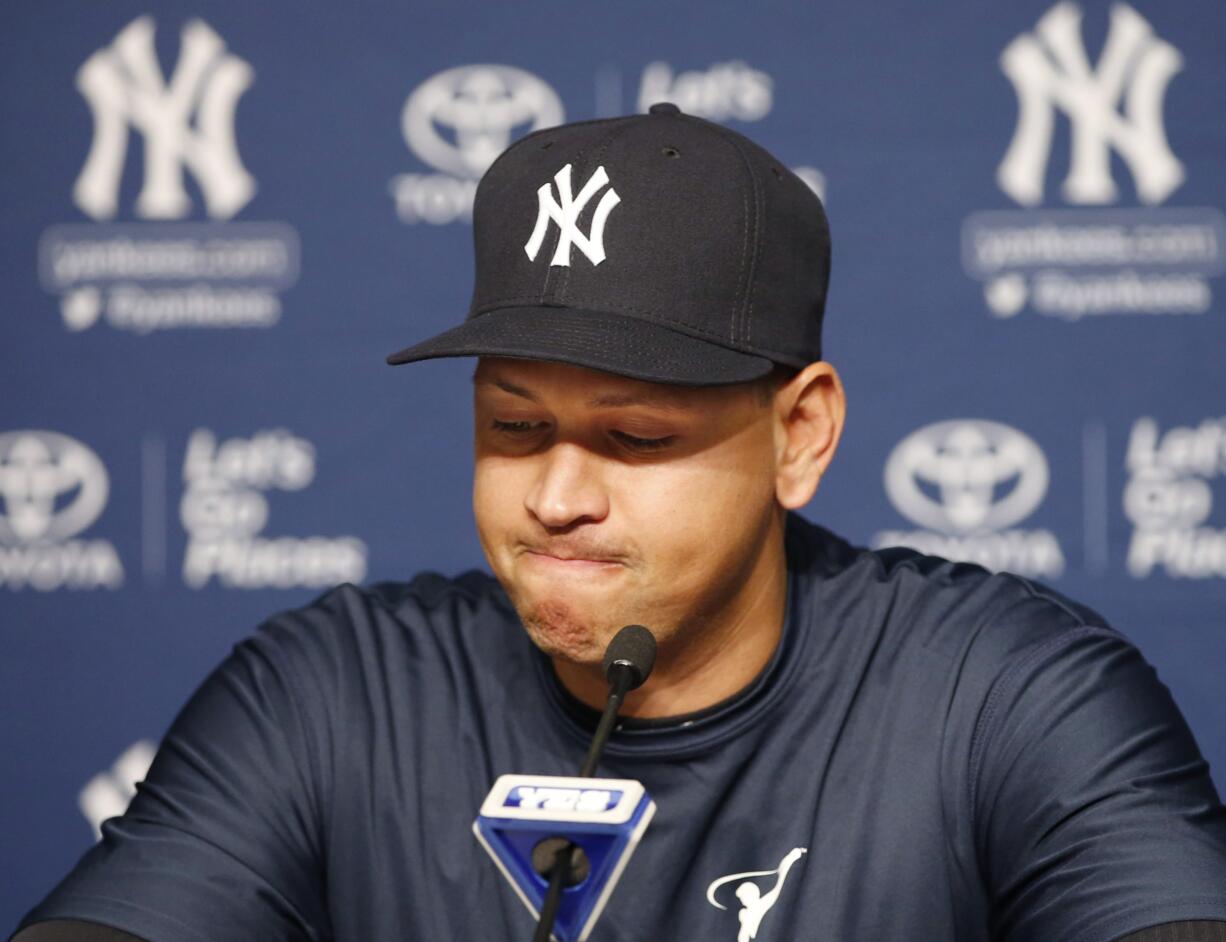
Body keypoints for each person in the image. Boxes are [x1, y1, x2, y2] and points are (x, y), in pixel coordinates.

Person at [12, 104, 1226, 942]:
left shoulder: (1007, 693)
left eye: (635, 439)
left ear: (798, 436)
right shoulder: (327, 693)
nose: (555, 496)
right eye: (514, 428)